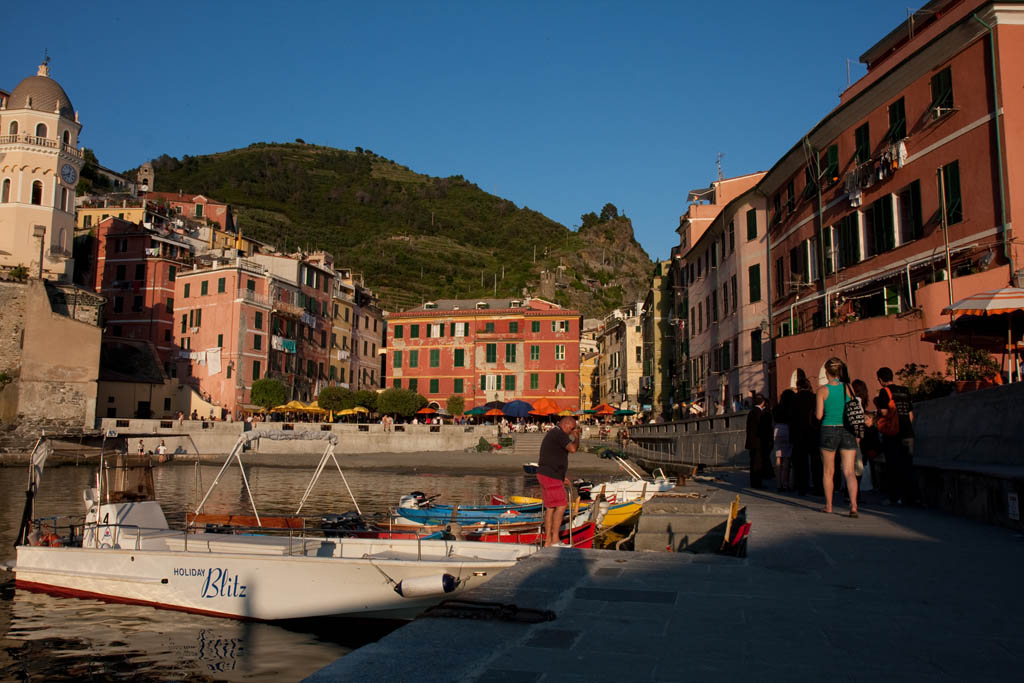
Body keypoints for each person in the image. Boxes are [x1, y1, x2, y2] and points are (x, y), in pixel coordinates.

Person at [815, 357, 859, 516]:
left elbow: (819, 416)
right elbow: (854, 409)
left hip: (828, 429)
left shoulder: (822, 390)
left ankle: (829, 505)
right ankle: (853, 506)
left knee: (828, 471)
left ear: (827, 372)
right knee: (849, 471)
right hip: (847, 429)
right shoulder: (849, 387)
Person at [536, 416, 581, 547]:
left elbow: (553, 456)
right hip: (551, 476)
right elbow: (572, 449)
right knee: (561, 505)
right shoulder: (559, 434)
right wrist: (577, 437)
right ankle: (555, 540)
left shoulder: (554, 433)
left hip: (547, 474)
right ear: (566, 425)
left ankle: (548, 541)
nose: (572, 431)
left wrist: (561, 477)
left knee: (550, 507)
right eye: (571, 428)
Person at [876, 366, 916, 505]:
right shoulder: (905, 391)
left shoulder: (884, 392)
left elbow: (885, 412)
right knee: (908, 465)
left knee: (893, 466)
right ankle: (910, 497)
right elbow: (911, 415)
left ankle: (894, 497)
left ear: (880, 380)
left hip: (893, 434)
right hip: (908, 433)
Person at [745, 394, 774, 489]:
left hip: (751, 442)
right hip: (759, 442)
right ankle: (757, 483)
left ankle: (754, 482)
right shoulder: (760, 413)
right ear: (763, 402)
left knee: (753, 462)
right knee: (758, 463)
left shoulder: (751, 412)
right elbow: (763, 429)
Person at [773, 390, 796, 491]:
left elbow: (772, 421)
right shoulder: (791, 408)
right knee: (787, 458)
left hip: (777, 430)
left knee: (778, 458)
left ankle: (778, 484)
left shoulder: (776, 408)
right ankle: (786, 483)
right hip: (787, 430)